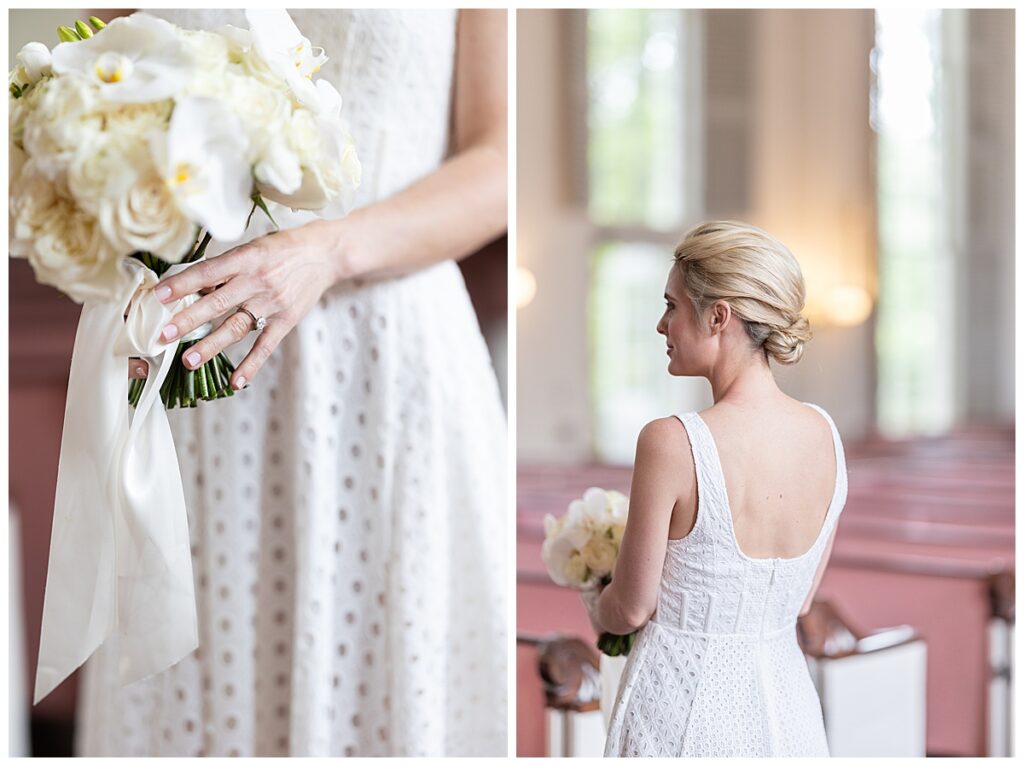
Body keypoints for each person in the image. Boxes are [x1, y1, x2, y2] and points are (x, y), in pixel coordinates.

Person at [75, 9, 508, 757]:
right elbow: (99, 106)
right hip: (194, 371)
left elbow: (501, 161)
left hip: (381, 356)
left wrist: (327, 251)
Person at [587, 220, 849, 757]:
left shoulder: (671, 442)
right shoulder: (825, 434)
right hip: (790, 710)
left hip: (681, 713)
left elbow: (632, 609)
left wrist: (596, 598)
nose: (662, 325)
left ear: (719, 315)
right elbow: (800, 602)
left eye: (672, 306)